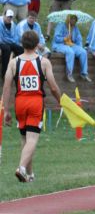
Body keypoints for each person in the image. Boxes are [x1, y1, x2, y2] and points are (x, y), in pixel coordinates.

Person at [1, 29, 61, 183]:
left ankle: (30, 174)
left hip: (20, 102)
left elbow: (6, 87)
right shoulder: (44, 62)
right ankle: (21, 168)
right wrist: (60, 101)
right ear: (37, 45)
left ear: (22, 44)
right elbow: (53, 87)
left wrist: (6, 110)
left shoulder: (14, 63)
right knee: (32, 138)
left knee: (24, 139)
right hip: (35, 102)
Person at [51, 13, 91, 83]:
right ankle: (69, 74)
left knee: (83, 52)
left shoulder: (75, 28)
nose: (74, 21)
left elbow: (79, 39)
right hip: (60, 44)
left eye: (75, 19)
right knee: (70, 52)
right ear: (68, 19)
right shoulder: (61, 25)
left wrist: (80, 48)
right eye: (72, 19)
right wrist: (65, 38)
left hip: (71, 45)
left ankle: (84, 73)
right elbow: (56, 38)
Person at [0, 9, 24, 78]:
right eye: (8, 16)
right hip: (1, 42)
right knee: (7, 49)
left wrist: (10, 41)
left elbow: (16, 37)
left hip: (8, 43)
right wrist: (11, 41)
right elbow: (1, 38)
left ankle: (18, 70)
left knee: (21, 49)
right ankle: (4, 74)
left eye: (11, 17)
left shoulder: (13, 24)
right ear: (4, 15)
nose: (9, 18)